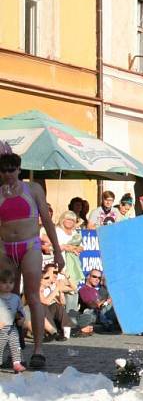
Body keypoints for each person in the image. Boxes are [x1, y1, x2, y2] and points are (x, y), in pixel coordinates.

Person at [0, 144, 64, 368]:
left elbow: (47, 221)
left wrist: (57, 250)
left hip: (29, 246)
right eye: (3, 170)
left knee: (32, 296)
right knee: (8, 300)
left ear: (19, 169)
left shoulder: (33, 189)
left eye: (11, 169)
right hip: (6, 248)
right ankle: (14, 349)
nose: (7, 174)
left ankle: (39, 349)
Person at [0, 269, 26, 372]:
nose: (8, 285)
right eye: (4, 282)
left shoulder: (16, 298)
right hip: (1, 329)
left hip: (12, 328)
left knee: (15, 345)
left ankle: (16, 363)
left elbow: (20, 310)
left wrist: (21, 318)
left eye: (10, 282)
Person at [78, 269, 119, 333]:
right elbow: (91, 305)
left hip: (100, 314)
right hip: (91, 314)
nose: (97, 279)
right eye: (94, 277)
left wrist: (106, 302)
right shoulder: (84, 290)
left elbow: (101, 305)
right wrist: (105, 301)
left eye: (99, 278)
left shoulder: (95, 291)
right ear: (88, 277)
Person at [55, 210, 85, 288]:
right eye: (68, 219)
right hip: (61, 264)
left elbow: (81, 247)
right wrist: (69, 247)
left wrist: (75, 248)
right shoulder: (57, 231)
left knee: (73, 290)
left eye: (72, 220)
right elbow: (57, 246)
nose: (70, 221)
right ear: (63, 219)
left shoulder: (75, 232)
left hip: (72, 265)